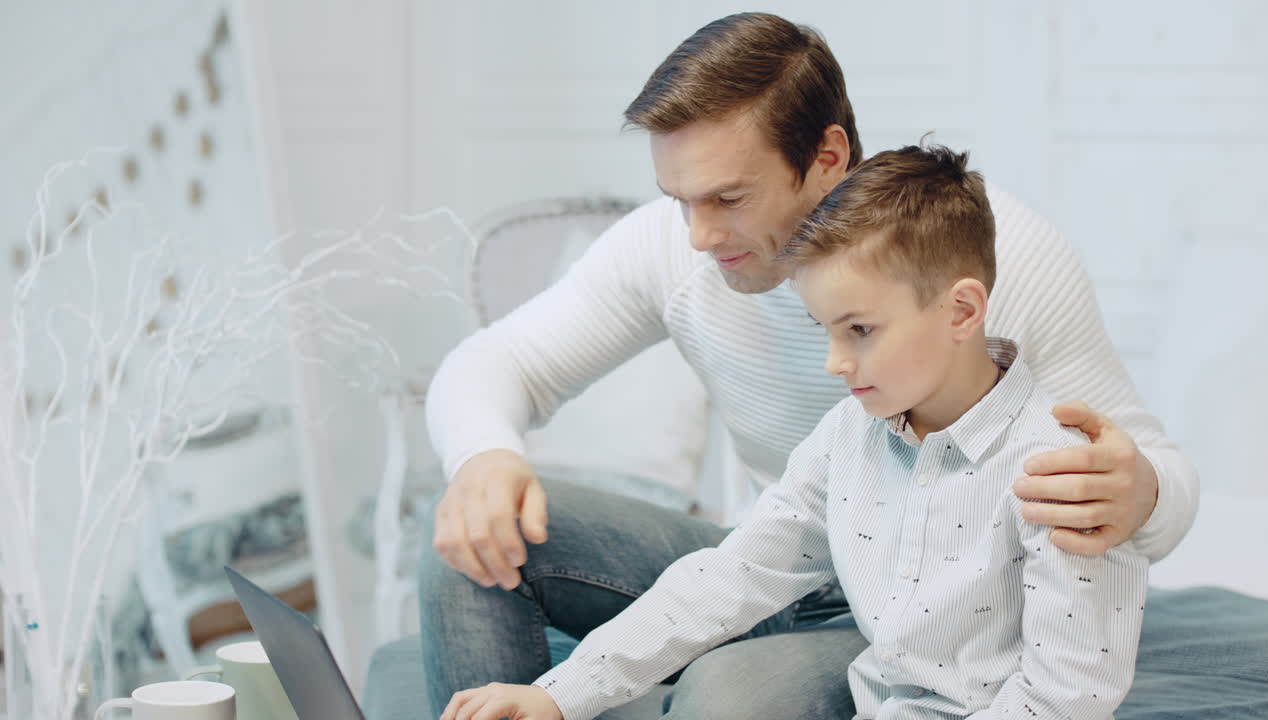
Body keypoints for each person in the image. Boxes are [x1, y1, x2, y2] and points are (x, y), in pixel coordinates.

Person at [422, 12, 1195, 718]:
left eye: (728, 196)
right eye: (678, 199)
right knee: (472, 548)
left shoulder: (991, 256)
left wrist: (1142, 491)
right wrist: (485, 458)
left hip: (938, 612)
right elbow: (495, 364)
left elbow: (1137, 480)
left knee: (726, 696)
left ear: (827, 156)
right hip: (787, 554)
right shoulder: (828, 412)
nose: (695, 234)